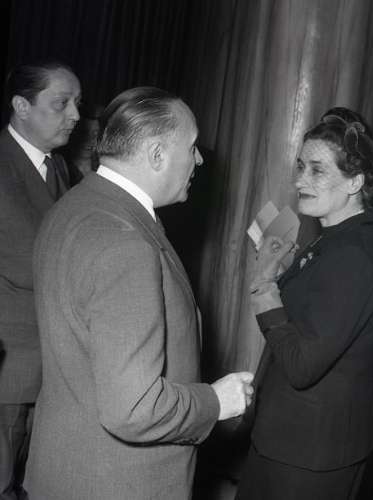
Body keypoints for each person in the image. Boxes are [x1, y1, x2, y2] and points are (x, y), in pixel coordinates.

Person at [24, 86, 254, 500]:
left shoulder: (71, 207)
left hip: (66, 468)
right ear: (157, 154)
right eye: (192, 147)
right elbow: (132, 408)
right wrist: (215, 402)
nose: (200, 159)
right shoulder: (125, 241)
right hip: (119, 482)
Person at [235, 107, 373, 500]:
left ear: (355, 181)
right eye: (301, 166)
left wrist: (265, 285)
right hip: (290, 437)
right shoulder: (335, 237)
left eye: (317, 170)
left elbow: (301, 365)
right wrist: (286, 271)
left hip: (312, 453)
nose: (299, 180)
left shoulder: (353, 256)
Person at [0, 60, 80, 500]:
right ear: (21, 106)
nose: (75, 115)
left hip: (51, 366)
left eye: (76, 103)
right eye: (61, 103)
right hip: (9, 371)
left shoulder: (60, 167)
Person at [61, 102, 104, 184]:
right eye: (83, 132)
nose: (89, 139)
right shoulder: (59, 169)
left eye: (96, 134)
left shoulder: (106, 169)